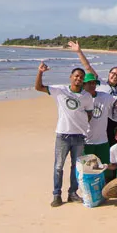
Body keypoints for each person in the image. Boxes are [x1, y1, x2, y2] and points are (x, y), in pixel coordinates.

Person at [34, 63, 94, 207]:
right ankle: (57, 195)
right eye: (76, 76)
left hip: (79, 136)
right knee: (58, 166)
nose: (78, 79)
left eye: (81, 77)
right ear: (71, 77)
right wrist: (40, 72)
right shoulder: (60, 90)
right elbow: (38, 87)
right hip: (63, 135)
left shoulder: (86, 96)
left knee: (76, 167)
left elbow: (89, 113)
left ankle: (73, 193)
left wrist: (81, 124)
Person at [68, 40, 117, 143]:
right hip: (102, 119)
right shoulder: (101, 83)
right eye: (113, 73)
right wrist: (79, 52)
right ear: (109, 74)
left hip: (115, 122)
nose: (115, 76)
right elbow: (88, 67)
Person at [82, 71, 117, 179]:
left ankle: (106, 189)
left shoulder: (104, 97)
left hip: (102, 141)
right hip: (86, 141)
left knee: (105, 168)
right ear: (84, 84)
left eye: (94, 83)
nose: (92, 85)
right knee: (88, 170)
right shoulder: (80, 98)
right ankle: (89, 193)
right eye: (89, 83)